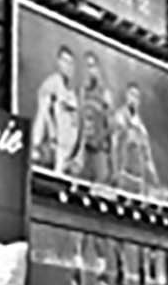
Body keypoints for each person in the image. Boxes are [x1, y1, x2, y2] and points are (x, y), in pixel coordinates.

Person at [32, 45, 82, 175]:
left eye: (70, 63)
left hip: (68, 151)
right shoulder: (52, 84)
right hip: (56, 147)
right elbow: (43, 111)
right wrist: (51, 135)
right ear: (59, 62)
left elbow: (76, 123)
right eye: (65, 61)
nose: (68, 66)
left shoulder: (73, 93)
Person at [113, 82, 160, 197]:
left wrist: (154, 175)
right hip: (124, 175)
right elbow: (114, 143)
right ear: (126, 96)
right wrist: (115, 170)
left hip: (138, 180)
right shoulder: (120, 116)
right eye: (131, 94)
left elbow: (147, 155)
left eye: (136, 96)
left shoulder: (141, 127)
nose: (133, 99)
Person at [75, 53, 115, 186]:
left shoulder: (105, 93)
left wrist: (99, 140)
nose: (90, 70)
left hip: (99, 150)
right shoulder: (82, 91)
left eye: (92, 66)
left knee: (100, 184)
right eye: (87, 67)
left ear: (98, 68)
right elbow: (80, 120)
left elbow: (112, 125)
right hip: (85, 149)